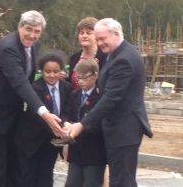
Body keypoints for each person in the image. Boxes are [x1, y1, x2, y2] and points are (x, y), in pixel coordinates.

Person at [0, 10, 66, 187]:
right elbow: (20, 83)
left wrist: (54, 76)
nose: (32, 35)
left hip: (13, 116)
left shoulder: (34, 47)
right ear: (20, 26)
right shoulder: (7, 48)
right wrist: (44, 113)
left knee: (13, 169)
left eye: (37, 31)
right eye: (28, 29)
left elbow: (30, 81)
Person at [69, 18, 153, 187]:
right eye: (98, 39)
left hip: (123, 129)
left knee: (121, 181)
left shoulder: (124, 59)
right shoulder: (116, 54)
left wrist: (82, 124)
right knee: (121, 179)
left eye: (102, 39)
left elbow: (111, 98)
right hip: (118, 129)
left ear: (116, 34)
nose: (99, 43)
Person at [15, 52, 72, 187]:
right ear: (41, 71)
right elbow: (37, 115)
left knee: (46, 174)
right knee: (29, 175)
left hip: (53, 141)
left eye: (56, 71)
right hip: (33, 140)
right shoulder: (35, 88)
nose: (52, 75)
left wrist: (64, 124)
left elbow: (66, 111)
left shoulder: (66, 88)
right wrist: (58, 129)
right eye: (48, 72)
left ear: (61, 71)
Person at [64, 59, 107, 187]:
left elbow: (100, 123)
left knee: (91, 183)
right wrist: (66, 123)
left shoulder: (102, 97)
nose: (80, 81)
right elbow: (66, 113)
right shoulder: (75, 94)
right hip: (76, 151)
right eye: (78, 78)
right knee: (72, 183)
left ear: (95, 75)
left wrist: (80, 127)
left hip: (94, 152)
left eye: (84, 77)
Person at [67, 17, 107, 88]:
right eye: (81, 33)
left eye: (88, 33)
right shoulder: (73, 58)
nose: (84, 36)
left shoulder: (105, 57)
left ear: (96, 36)